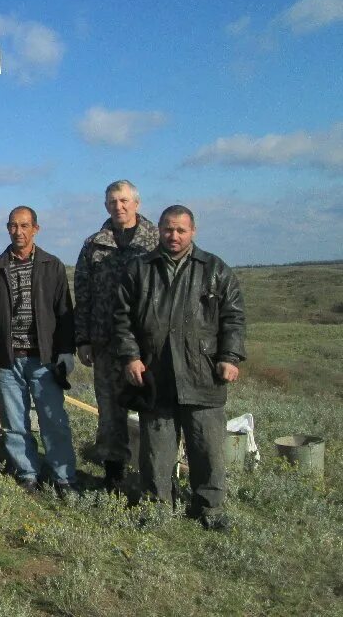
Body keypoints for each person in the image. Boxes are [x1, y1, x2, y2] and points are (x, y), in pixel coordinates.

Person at [115, 205, 245, 530]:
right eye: (167, 229)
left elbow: (234, 317)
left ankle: (209, 510)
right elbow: (122, 319)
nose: (173, 236)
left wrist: (230, 357)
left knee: (207, 449)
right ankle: (158, 509)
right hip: (155, 377)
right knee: (156, 453)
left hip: (202, 375)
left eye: (180, 230)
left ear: (193, 231)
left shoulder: (215, 269)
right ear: (158, 230)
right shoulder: (139, 269)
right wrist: (131, 356)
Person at [0, 206, 77, 494]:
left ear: (36, 228)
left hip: (44, 359)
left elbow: (64, 312)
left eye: (24, 226)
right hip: (10, 360)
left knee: (54, 421)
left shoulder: (52, 266)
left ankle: (64, 477)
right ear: (7, 228)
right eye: (13, 226)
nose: (18, 232)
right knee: (14, 424)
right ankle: (27, 474)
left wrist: (65, 351)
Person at [74, 179, 158, 491]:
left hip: (148, 345)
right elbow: (83, 294)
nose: (118, 207)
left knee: (153, 411)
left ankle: (156, 475)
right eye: (112, 202)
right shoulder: (94, 244)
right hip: (105, 343)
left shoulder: (155, 242)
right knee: (110, 412)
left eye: (124, 201)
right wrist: (83, 338)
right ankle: (113, 474)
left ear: (136, 203)